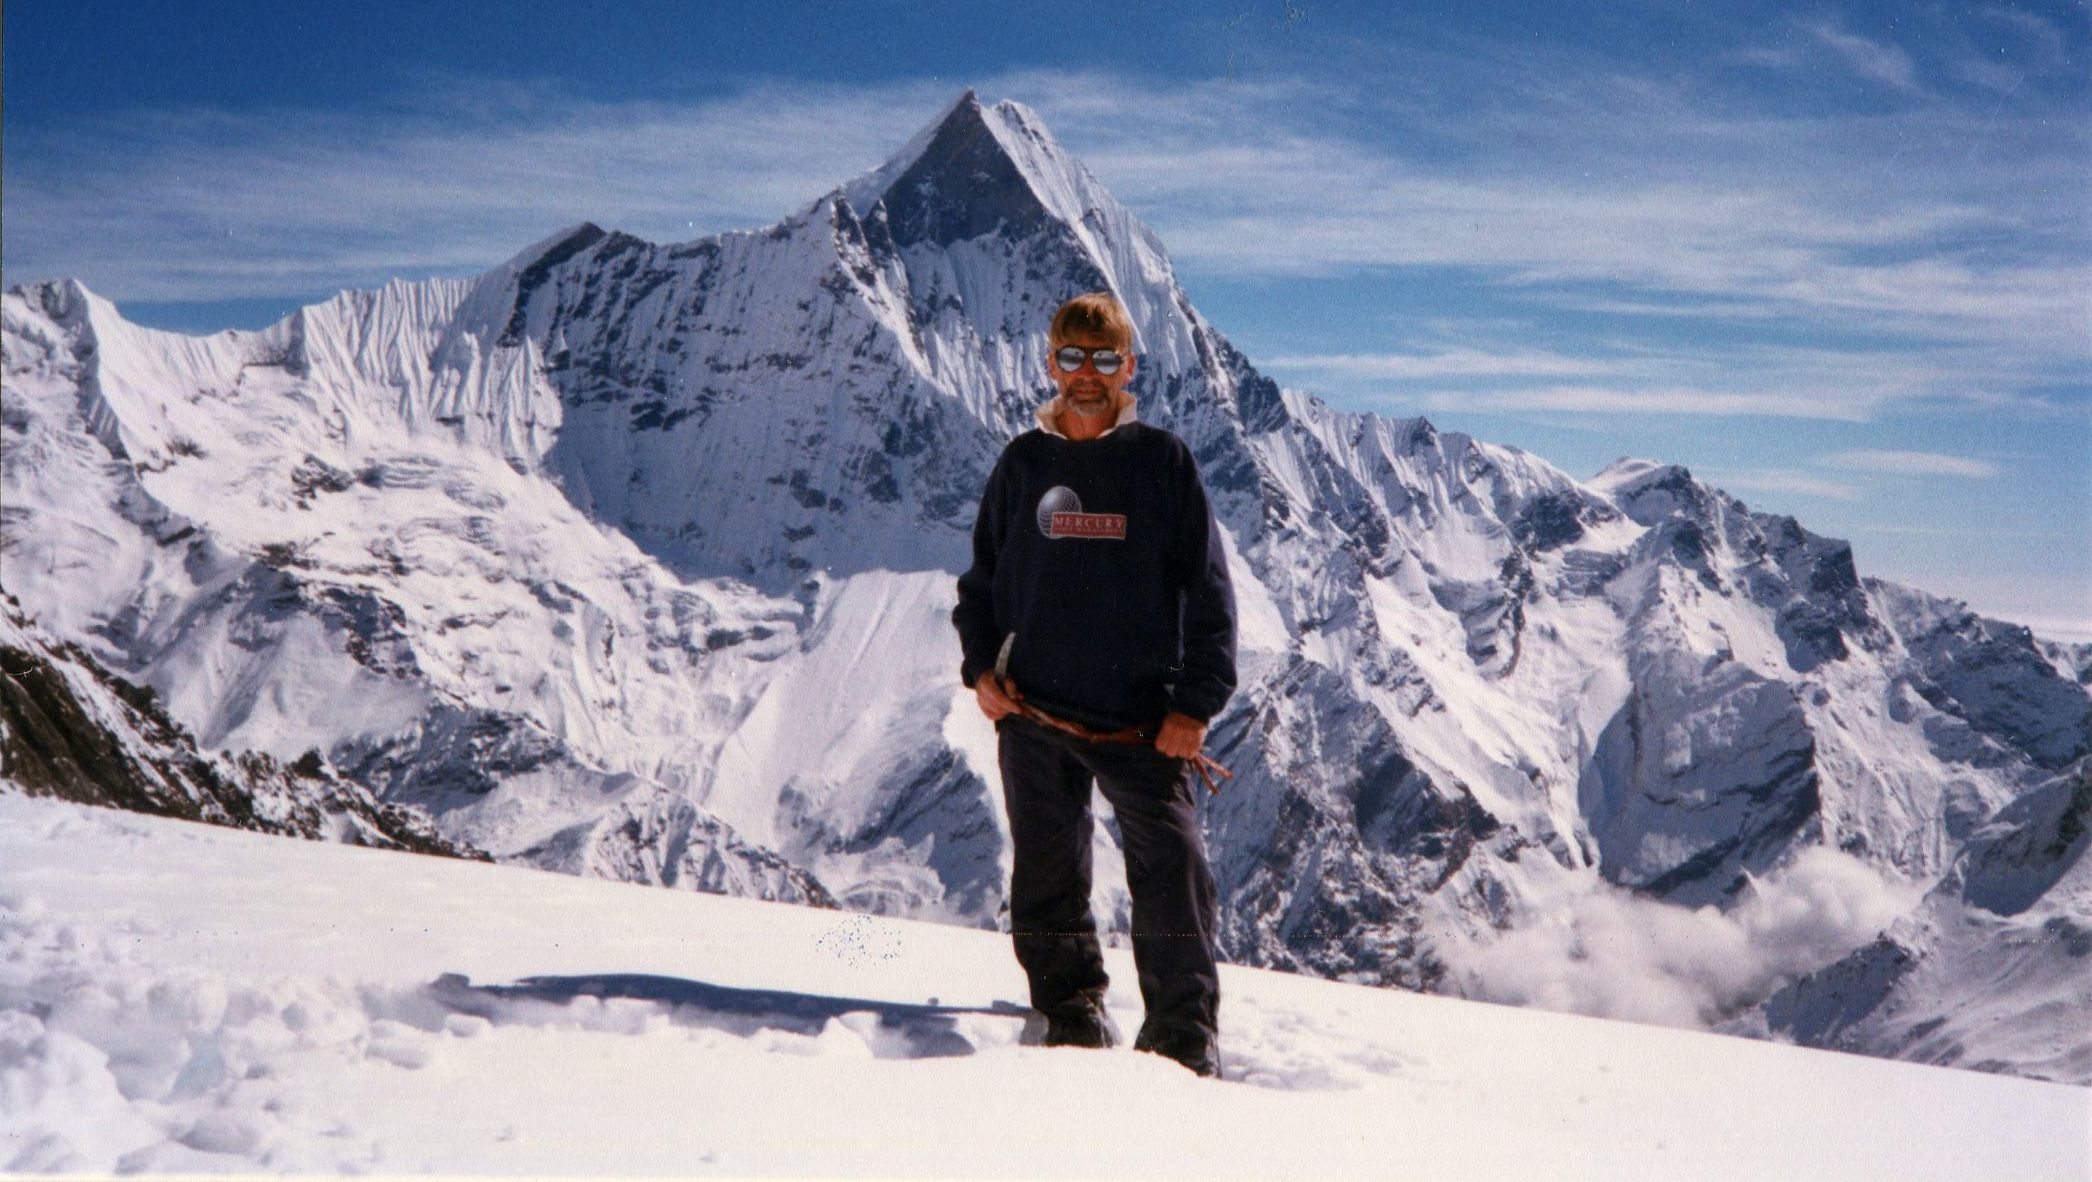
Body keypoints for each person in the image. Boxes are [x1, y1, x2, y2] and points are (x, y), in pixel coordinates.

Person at [952, 292, 1238, 1078]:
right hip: (1035, 713)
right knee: (1046, 875)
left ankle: (1182, 1037)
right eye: (1072, 358)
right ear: (1050, 364)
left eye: (1104, 359)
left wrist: (1195, 705)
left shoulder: (1162, 463)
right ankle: (1069, 1011)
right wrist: (982, 670)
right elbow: (981, 586)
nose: (1087, 375)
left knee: (1174, 873)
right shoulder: (1022, 465)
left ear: (1128, 368)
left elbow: (1210, 596)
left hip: (1143, 724)